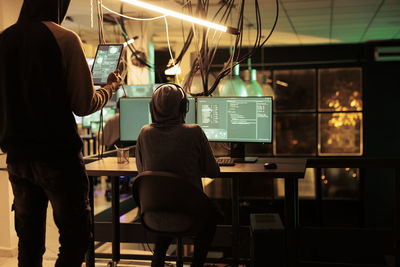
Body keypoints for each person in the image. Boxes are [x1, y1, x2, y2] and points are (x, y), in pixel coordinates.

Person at [0, 0, 122, 266]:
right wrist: (110, 87)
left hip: (18, 160)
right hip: (58, 157)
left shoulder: (4, 40)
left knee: (29, 243)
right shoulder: (65, 38)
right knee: (75, 238)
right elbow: (84, 104)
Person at [135, 84, 220, 267]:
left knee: (165, 207)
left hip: (154, 214)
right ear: (184, 107)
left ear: (152, 107)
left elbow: (142, 172)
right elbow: (214, 171)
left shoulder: (144, 133)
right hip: (190, 215)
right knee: (213, 215)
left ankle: (157, 260)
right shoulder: (194, 132)